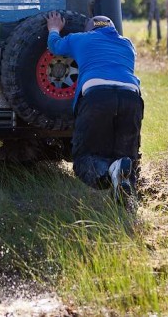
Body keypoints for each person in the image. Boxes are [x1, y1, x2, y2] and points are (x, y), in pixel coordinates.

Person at [46, 12, 144, 205]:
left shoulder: (80, 38)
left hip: (97, 96)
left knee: (85, 156)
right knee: (127, 154)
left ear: (89, 29)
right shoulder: (127, 44)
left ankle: (109, 172)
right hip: (131, 97)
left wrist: (54, 29)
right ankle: (125, 199)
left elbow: (55, 46)